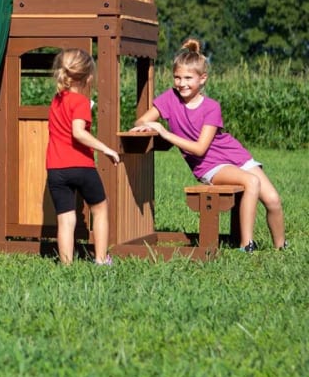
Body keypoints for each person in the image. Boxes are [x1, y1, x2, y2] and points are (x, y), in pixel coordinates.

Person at [130, 38, 286, 252]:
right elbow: (141, 121)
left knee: (273, 200)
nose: (181, 83)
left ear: (202, 79)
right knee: (251, 182)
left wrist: (164, 133)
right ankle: (246, 244)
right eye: (177, 77)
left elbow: (199, 147)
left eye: (188, 78)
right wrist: (148, 127)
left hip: (234, 155)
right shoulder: (169, 98)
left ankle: (280, 248)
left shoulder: (212, 107)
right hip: (210, 166)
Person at [46, 48, 120, 265]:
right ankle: (101, 259)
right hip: (81, 166)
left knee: (66, 218)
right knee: (100, 208)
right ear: (88, 77)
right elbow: (78, 132)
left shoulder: (56, 100)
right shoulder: (80, 102)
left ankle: (66, 265)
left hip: (55, 168)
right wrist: (105, 149)